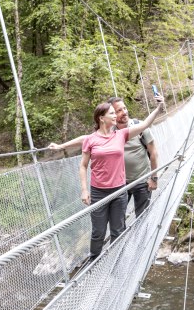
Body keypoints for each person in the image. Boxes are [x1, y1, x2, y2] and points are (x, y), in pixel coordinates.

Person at [74, 100, 163, 260]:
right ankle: (93, 261)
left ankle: (116, 264)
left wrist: (158, 108)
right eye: (112, 113)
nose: (117, 115)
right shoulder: (90, 139)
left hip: (120, 190)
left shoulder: (121, 134)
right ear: (102, 118)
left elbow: (144, 125)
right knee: (98, 232)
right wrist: (84, 190)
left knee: (117, 230)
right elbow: (83, 166)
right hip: (98, 192)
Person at [49, 95, 164, 218]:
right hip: (120, 184)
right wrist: (61, 146)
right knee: (118, 219)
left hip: (141, 180)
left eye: (124, 108)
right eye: (118, 111)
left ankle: (143, 237)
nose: (123, 112)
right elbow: (86, 139)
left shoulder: (138, 127)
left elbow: (153, 153)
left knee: (142, 217)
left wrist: (154, 178)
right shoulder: (110, 130)